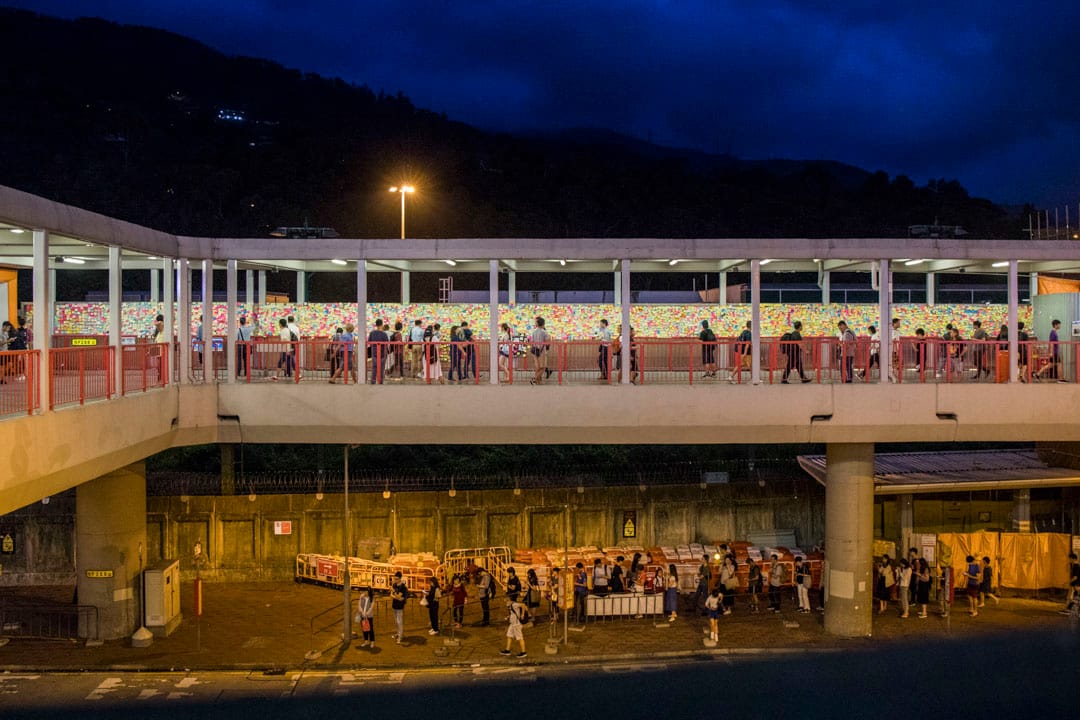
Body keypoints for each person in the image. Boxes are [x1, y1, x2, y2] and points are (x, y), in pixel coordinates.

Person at [367, 319, 389, 384]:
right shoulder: (384, 334)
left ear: (376, 325)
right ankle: (380, 381)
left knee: (374, 367)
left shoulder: (372, 333)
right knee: (382, 368)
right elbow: (387, 343)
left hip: (374, 352)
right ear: (382, 325)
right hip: (382, 353)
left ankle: (373, 381)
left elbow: (369, 342)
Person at [530, 317, 550, 385]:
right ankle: (535, 379)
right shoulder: (544, 332)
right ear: (543, 324)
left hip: (534, 350)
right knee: (543, 367)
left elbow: (532, 341)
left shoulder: (534, 331)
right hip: (541, 351)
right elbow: (547, 341)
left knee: (537, 367)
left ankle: (538, 381)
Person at [390, 571, 408, 643]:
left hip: (400, 607)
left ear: (400, 579)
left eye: (397, 579)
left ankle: (400, 636)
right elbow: (392, 596)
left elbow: (398, 596)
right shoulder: (394, 585)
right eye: (395, 579)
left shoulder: (403, 587)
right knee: (396, 621)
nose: (395, 580)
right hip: (394, 605)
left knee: (399, 621)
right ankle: (398, 633)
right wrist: (397, 597)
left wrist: (394, 592)